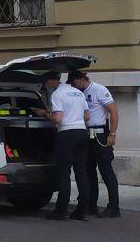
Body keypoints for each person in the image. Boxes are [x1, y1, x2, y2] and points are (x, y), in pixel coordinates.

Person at [47, 70, 92, 221]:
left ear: (52, 81)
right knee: (81, 171)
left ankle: (61, 210)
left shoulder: (57, 94)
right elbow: (87, 116)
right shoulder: (78, 93)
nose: (46, 86)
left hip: (66, 133)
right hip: (81, 132)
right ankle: (82, 210)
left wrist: (46, 114)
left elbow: (58, 119)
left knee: (64, 172)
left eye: (46, 83)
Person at [80, 70, 121, 218]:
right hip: (87, 134)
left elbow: (113, 111)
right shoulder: (80, 92)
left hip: (100, 134)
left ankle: (114, 206)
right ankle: (91, 205)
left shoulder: (99, 89)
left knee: (106, 170)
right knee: (88, 170)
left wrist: (112, 133)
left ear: (82, 79)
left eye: (76, 82)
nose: (75, 86)